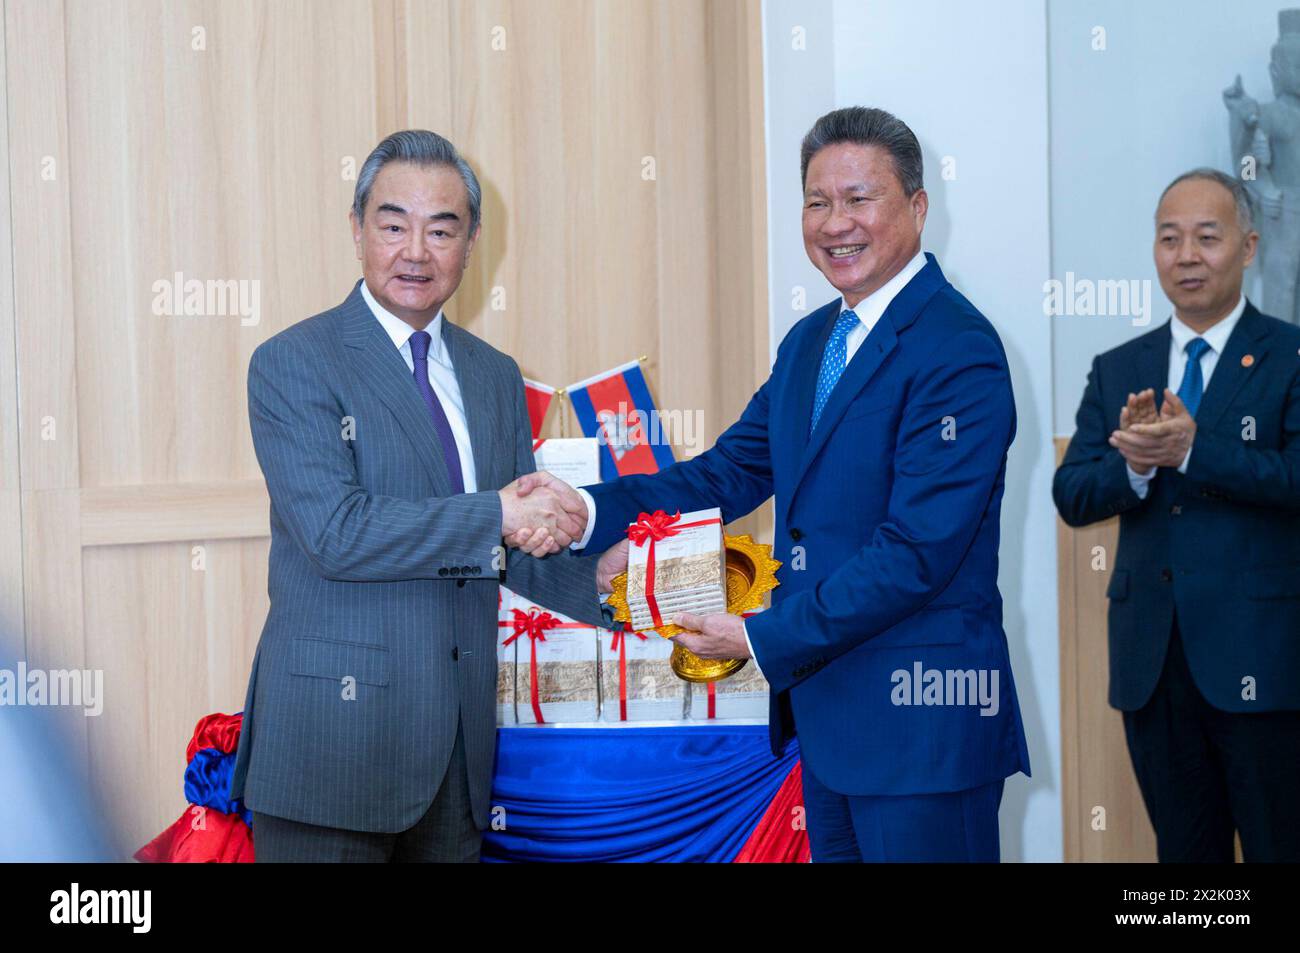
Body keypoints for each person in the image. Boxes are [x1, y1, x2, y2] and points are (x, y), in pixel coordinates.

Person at [518, 106, 1030, 862]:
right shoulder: (810, 342)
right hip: (828, 724)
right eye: (817, 202)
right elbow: (726, 474)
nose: (835, 223)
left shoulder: (959, 349)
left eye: (860, 199)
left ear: (917, 208)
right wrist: (589, 509)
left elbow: (915, 552)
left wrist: (759, 635)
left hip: (922, 728)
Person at [230, 130, 619, 862]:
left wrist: (601, 575)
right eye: (393, 224)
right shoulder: (293, 362)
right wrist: (502, 512)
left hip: (455, 754)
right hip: (332, 751)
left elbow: (502, 547)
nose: (417, 250)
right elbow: (337, 533)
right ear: (356, 231)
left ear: (470, 244)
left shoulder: (494, 374)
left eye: (442, 229)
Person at [1053, 168, 1300, 862]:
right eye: (1169, 238)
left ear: (1248, 247)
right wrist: (1133, 465)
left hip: (1266, 665)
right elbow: (1071, 494)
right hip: (1154, 666)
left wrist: (1195, 450)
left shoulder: (1289, 356)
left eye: (1206, 237)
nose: (1186, 255)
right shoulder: (1117, 367)